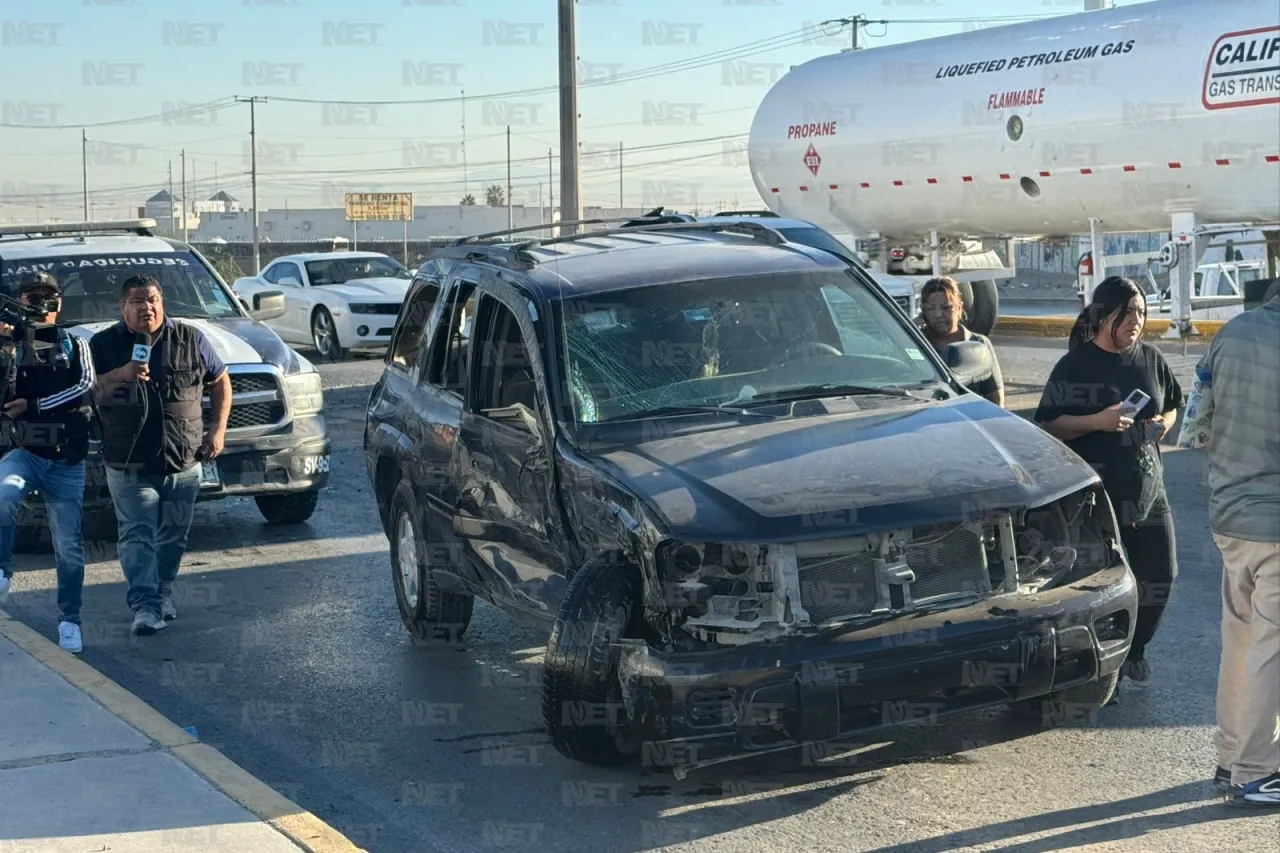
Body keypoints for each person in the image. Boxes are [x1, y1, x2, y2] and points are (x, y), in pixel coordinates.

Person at [1033, 275, 1182, 691]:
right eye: (1127, 312)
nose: (1136, 321)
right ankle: (1103, 671)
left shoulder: (1150, 357)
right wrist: (1097, 421)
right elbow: (1047, 425)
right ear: (1104, 315)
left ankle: (1135, 650)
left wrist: (1161, 425)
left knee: (1162, 576)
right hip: (1098, 499)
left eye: (1141, 312)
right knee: (1103, 588)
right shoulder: (1076, 365)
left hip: (1150, 490)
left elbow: (1173, 402)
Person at [1176, 291, 1280, 806]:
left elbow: (1195, 426)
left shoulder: (1231, 333)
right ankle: (1258, 772)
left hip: (1230, 516)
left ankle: (1230, 755)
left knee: (1240, 639)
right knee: (1271, 648)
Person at [89, 275, 230, 636]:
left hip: (183, 461)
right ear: (123, 308)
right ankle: (145, 605)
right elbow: (87, 391)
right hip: (128, 462)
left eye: (151, 299)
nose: (145, 307)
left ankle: (162, 592)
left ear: (161, 303)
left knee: (173, 536)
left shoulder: (191, 338)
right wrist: (122, 374)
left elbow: (220, 381)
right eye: (136, 301)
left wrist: (217, 431)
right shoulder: (102, 345)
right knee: (136, 534)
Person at [0, 272, 95, 653]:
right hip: (24, 452)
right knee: (4, 496)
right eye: (31, 296)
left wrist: (35, 407)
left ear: (59, 303)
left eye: (47, 296)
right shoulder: (12, 343)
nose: (40, 303)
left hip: (67, 458)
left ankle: (69, 620)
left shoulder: (74, 343)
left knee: (69, 547)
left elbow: (85, 386)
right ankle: (4, 570)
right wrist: (6, 345)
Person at [918, 276, 1005, 406]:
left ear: (959, 308)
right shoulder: (915, 344)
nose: (937, 315)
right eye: (930, 309)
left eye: (945, 307)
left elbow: (995, 397)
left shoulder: (978, 343)